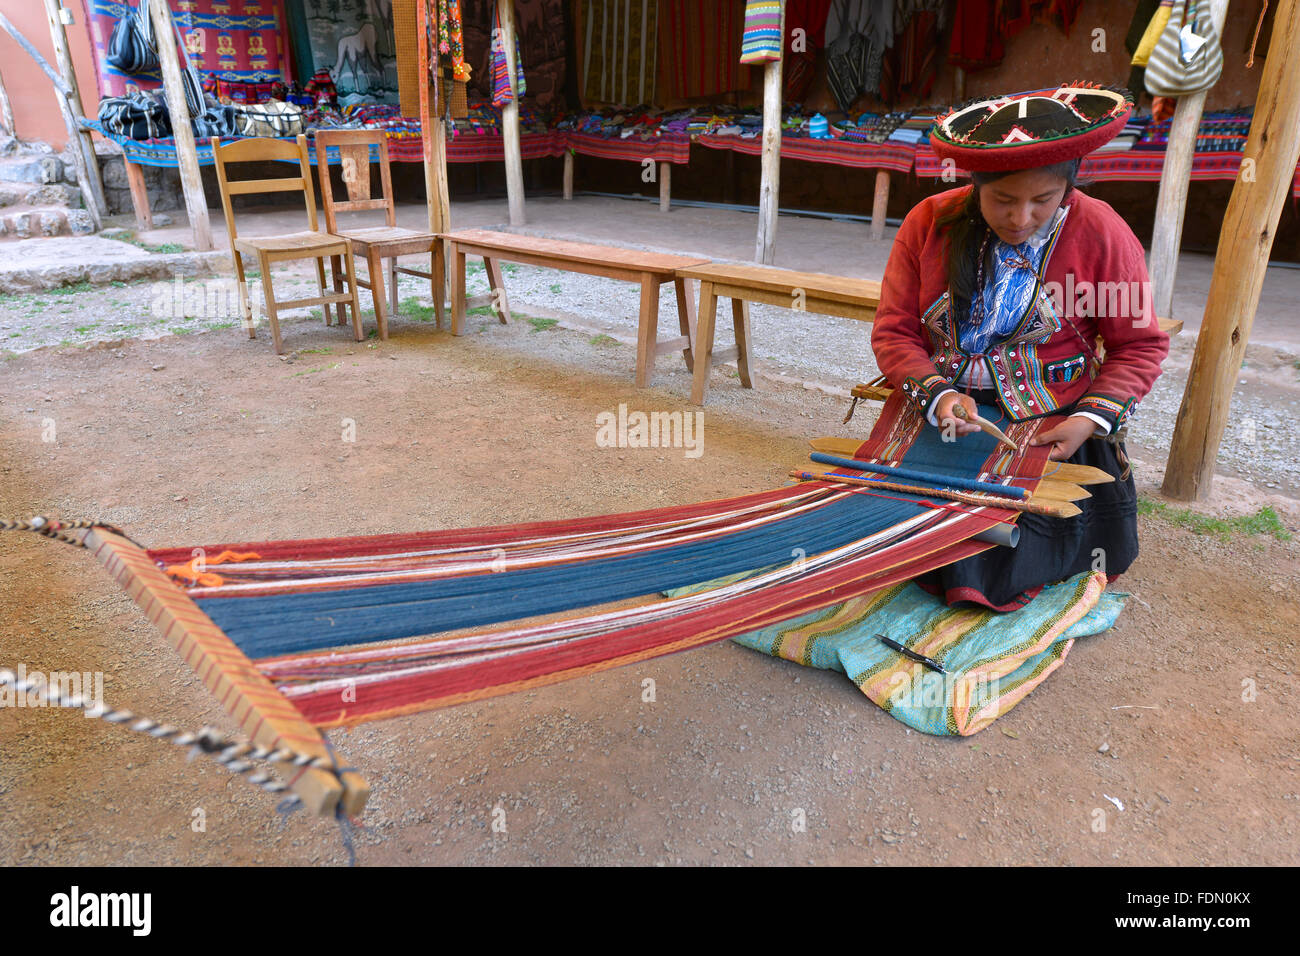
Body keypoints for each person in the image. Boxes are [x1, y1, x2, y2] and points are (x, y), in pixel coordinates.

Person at [871, 84, 1169, 610]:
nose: (1020, 217)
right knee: (886, 531)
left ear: (1069, 189)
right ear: (975, 184)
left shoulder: (1103, 232)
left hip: (1055, 421)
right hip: (946, 409)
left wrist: (1090, 421)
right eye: (1002, 200)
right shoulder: (928, 222)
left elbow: (1139, 347)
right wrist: (940, 396)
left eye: (1043, 200)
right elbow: (895, 330)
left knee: (996, 549)